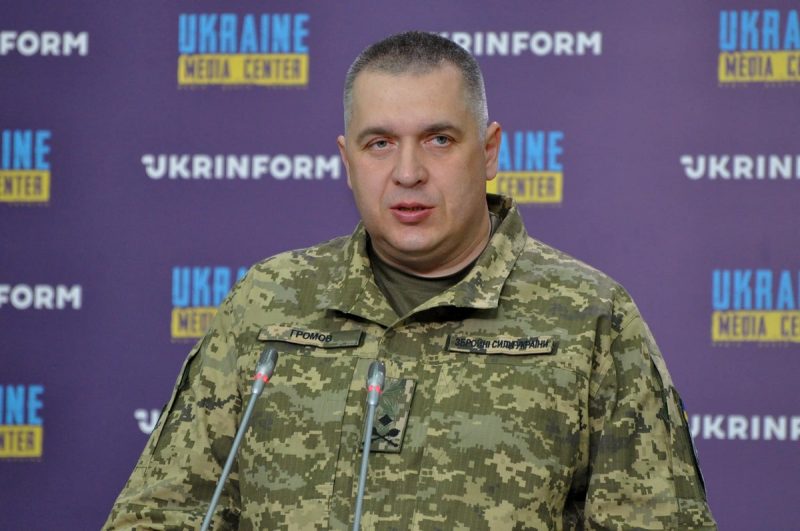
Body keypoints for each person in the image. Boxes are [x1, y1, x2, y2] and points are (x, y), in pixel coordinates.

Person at [104, 31, 716, 530]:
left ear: (489, 150)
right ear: (347, 160)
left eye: (438, 140)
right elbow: (159, 514)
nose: (407, 172)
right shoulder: (270, 300)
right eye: (379, 144)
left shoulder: (590, 316)